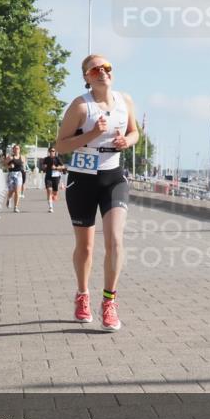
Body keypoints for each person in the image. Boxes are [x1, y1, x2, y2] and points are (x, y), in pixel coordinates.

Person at [54, 54, 139, 332]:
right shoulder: (81, 106)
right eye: (95, 70)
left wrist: (127, 141)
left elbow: (135, 132)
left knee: (115, 240)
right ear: (86, 77)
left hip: (113, 178)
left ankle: (109, 302)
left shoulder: (125, 101)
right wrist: (91, 134)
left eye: (107, 67)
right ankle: (82, 295)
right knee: (86, 246)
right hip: (83, 179)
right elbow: (61, 146)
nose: (103, 72)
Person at [40, 147, 66, 213]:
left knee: (55, 193)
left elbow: (63, 167)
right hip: (48, 176)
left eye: (53, 151)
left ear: (55, 152)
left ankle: (53, 195)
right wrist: (44, 167)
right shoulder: (46, 159)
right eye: (51, 151)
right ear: (49, 152)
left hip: (56, 177)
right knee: (49, 190)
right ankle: (50, 207)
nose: (52, 152)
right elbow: (42, 167)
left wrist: (56, 168)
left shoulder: (57, 158)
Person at [4, 144, 26, 212]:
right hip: (11, 174)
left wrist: (24, 173)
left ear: (19, 150)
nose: (16, 150)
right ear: (13, 150)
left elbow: (23, 166)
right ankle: (9, 198)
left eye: (18, 148)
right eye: (15, 148)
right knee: (11, 190)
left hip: (19, 174)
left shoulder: (22, 157)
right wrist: (9, 166)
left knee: (17, 191)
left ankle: (16, 207)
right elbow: (4, 165)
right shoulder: (10, 157)